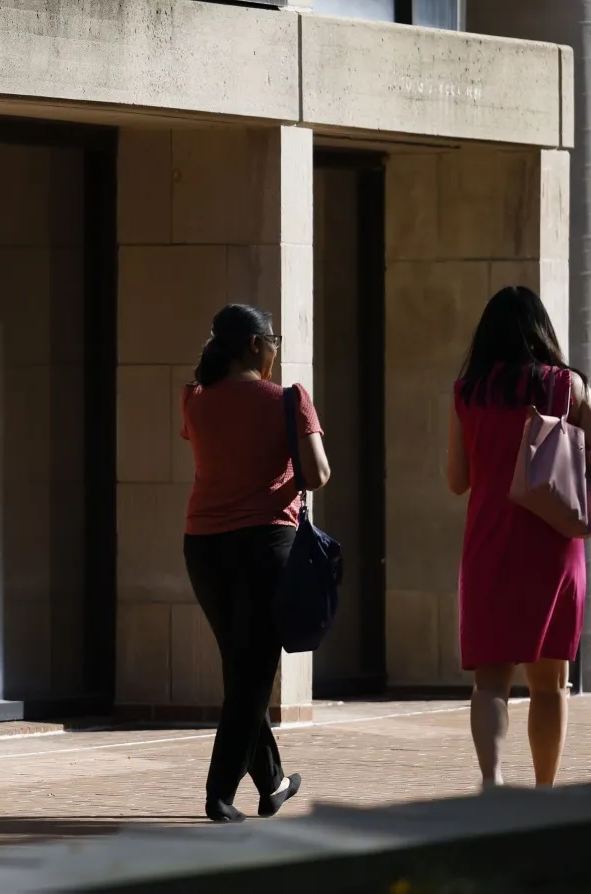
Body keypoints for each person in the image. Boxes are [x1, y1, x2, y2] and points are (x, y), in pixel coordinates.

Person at [447, 285, 591, 789]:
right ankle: (543, 792)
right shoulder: (570, 387)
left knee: (490, 680)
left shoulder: (468, 393)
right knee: (551, 682)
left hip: (490, 542)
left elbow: (457, 480)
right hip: (553, 543)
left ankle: (492, 783)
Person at [182, 303, 330, 824]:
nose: (275, 354)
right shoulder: (288, 399)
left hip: (203, 545)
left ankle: (272, 783)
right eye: (274, 343)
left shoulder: (194, 398)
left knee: (241, 666)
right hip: (265, 545)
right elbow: (318, 474)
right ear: (255, 345)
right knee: (252, 675)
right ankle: (218, 794)